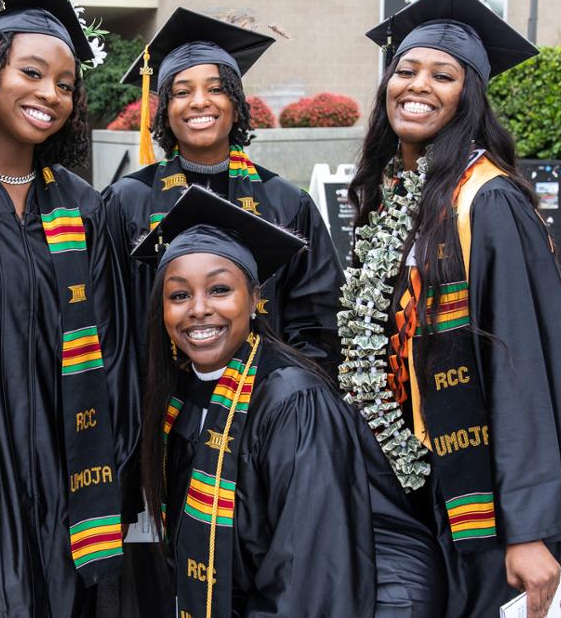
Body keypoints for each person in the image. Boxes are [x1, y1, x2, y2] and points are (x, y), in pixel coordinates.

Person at [341, 0, 561, 618]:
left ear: (469, 95)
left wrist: (525, 528)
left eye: (443, 75)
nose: (418, 85)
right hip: (459, 469)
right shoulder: (408, 194)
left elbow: (520, 363)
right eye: (405, 69)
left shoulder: (486, 201)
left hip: (521, 484)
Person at [0, 0, 139, 617]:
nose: (50, 92)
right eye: (30, 72)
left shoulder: (84, 206)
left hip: (64, 467)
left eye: (66, 84)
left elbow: (110, 351)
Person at [132, 185, 443, 617]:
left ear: (256, 299)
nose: (198, 309)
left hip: (371, 598)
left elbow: (309, 575)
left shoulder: (293, 401)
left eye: (220, 290)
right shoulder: (183, 395)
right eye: (179, 295)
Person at [103, 8, 344, 372]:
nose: (200, 101)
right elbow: (110, 316)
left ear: (236, 104)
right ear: (165, 109)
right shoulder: (128, 200)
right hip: (156, 401)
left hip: (262, 403)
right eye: (181, 92)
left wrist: (291, 393)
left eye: (216, 89)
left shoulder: (286, 202)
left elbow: (317, 317)